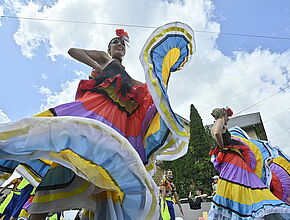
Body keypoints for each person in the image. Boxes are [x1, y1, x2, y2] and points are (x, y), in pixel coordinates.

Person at [0, 22, 195, 219]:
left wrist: (162, 73)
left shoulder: (128, 78)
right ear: (109, 47)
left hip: (114, 129)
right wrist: (97, 65)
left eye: (122, 43)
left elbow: (149, 91)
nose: (119, 45)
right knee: (68, 158)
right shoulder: (105, 59)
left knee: (106, 180)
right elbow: (73, 50)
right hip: (93, 114)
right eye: (115, 42)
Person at [208, 107, 290, 219]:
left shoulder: (213, 126)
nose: (228, 119)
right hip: (232, 159)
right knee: (246, 182)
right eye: (228, 117)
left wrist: (222, 148)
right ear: (223, 115)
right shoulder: (220, 121)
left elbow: (216, 133)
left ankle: (240, 210)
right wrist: (223, 147)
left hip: (228, 160)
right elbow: (217, 132)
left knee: (233, 185)